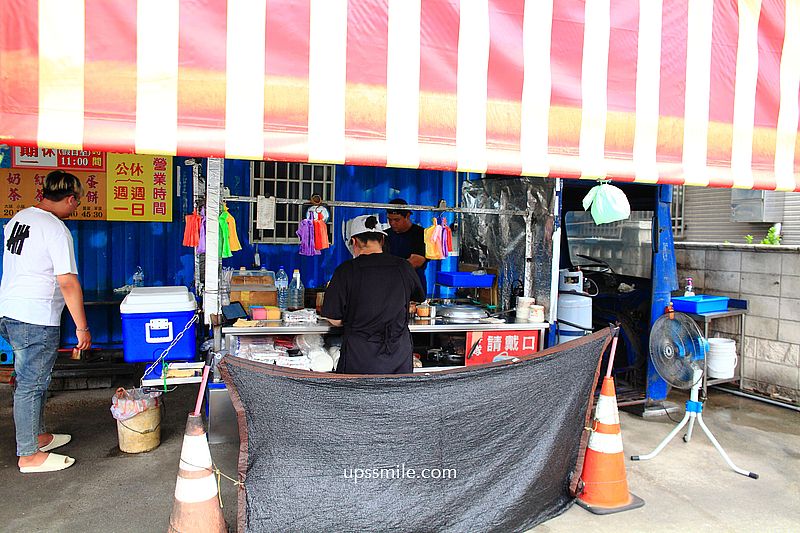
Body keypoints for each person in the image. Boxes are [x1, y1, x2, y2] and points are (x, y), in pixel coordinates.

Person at [0, 170, 91, 473]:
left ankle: (37, 437)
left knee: (34, 379)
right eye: (76, 203)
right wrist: (82, 327)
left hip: (11, 310)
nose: (75, 209)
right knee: (31, 384)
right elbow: (67, 281)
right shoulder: (55, 229)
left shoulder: (18, 219)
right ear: (68, 198)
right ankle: (28, 454)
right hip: (34, 317)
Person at [321, 215, 424, 374]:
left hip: (361, 357)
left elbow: (334, 319)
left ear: (354, 242)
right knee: (398, 397)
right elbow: (417, 299)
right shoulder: (403, 267)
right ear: (382, 240)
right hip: (398, 355)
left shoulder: (346, 270)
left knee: (359, 398)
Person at [385, 198, 428, 296]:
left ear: (407, 216)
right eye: (389, 220)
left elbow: (417, 260)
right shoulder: (384, 235)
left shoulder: (421, 234)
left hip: (413, 285)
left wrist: (388, 269)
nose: (392, 223)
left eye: (396, 220)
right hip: (389, 287)